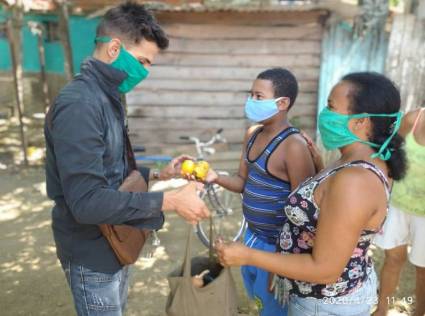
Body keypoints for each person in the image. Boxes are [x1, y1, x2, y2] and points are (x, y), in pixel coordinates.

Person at [44, 3, 209, 315]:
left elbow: (112, 168)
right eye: (142, 61)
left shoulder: (108, 97)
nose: (144, 72)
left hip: (116, 241)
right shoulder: (80, 105)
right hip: (92, 251)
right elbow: (87, 202)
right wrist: (170, 201)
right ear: (114, 48)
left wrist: (160, 174)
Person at [215, 72, 407, 315]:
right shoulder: (352, 160)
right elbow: (327, 207)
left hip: (325, 303)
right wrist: (318, 167)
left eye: (330, 106)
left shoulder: (355, 181)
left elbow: (325, 269)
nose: (324, 114)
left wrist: (248, 255)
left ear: (361, 122)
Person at [206, 68, 316, 316]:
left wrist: (280, 261)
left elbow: (305, 213)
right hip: (252, 238)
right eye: (250, 95)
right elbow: (241, 182)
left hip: (278, 248)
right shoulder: (252, 135)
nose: (251, 101)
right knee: (259, 301)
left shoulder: (293, 146)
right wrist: (215, 177)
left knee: (274, 309)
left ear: (282, 103)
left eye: (258, 96)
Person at [373, 107, 425, 316]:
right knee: (393, 259)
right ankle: (382, 309)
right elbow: (390, 151)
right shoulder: (414, 118)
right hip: (398, 205)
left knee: (423, 271)